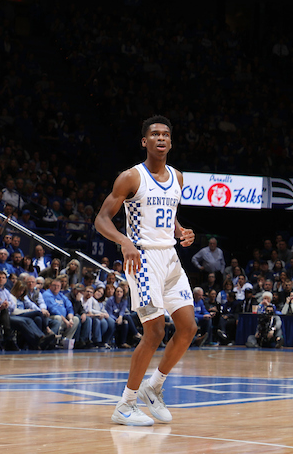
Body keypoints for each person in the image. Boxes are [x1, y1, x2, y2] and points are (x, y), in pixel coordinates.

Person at [94, 116, 197, 427]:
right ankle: (125, 405)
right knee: (154, 332)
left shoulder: (178, 177)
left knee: (188, 328)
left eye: (166, 134)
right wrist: (124, 240)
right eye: (154, 134)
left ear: (171, 141)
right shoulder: (130, 177)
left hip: (170, 258)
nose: (161, 138)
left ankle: (154, 386)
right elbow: (101, 219)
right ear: (144, 141)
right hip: (142, 260)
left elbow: (167, 214)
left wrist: (180, 231)